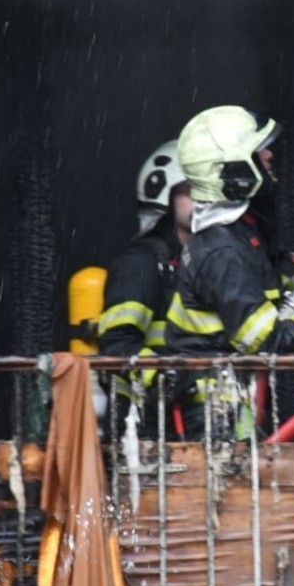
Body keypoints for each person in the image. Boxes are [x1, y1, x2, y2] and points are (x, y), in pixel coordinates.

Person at [166, 105, 294, 439]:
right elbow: (266, 341)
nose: (269, 154)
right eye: (258, 151)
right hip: (220, 418)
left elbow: (271, 295)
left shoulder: (237, 236)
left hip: (234, 406)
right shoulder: (223, 253)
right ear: (232, 169)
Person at [96, 140, 192, 427]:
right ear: (164, 196)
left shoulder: (201, 259)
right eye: (190, 189)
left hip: (188, 419)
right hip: (144, 423)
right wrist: (163, 375)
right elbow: (118, 343)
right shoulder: (142, 262)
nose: (202, 199)